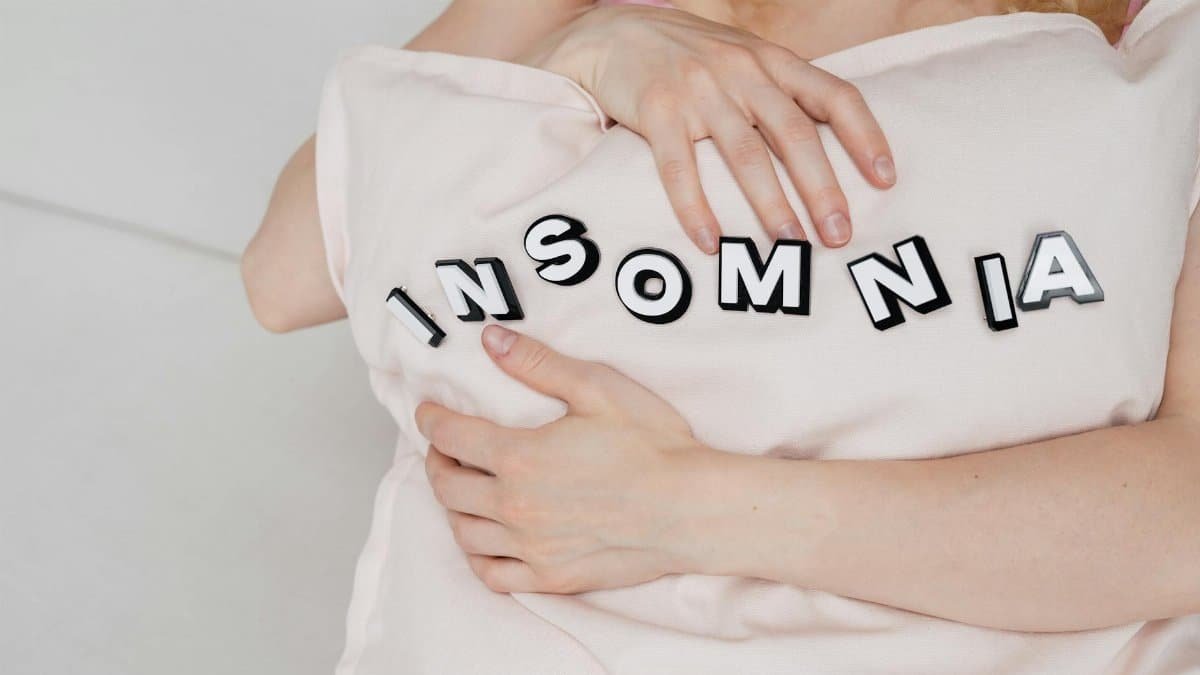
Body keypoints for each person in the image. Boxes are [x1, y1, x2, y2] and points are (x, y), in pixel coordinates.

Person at [242, 0, 1200, 673]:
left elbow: (1183, 518)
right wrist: (579, 45)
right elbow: (286, 270)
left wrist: (684, 507)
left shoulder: (1149, 46)